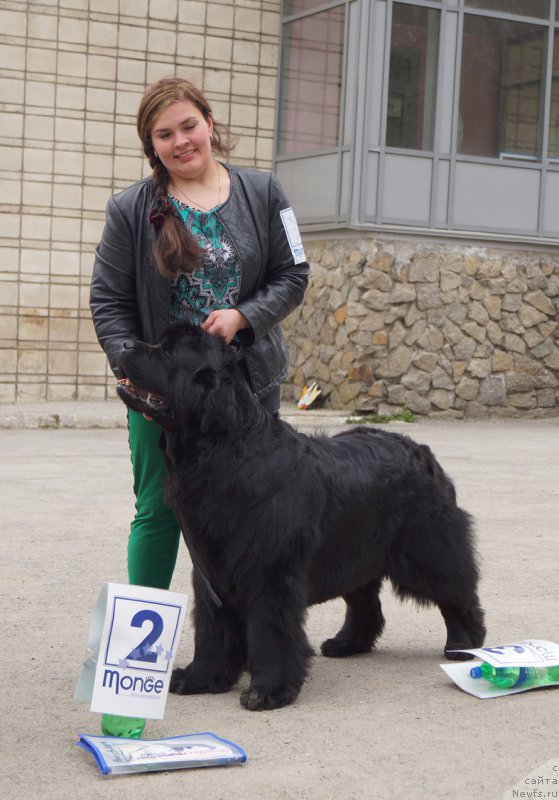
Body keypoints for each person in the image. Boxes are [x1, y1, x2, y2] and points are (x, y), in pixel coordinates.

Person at [90, 76, 309, 591]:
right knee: (159, 508)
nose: (181, 141)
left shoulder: (265, 192)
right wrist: (134, 370)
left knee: (253, 505)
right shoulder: (129, 210)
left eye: (188, 126)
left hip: (248, 383)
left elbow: (294, 274)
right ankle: (145, 633)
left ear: (209, 123)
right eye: (164, 135)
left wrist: (244, 317)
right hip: (163, 388)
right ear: (152, 145)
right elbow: (109, 303)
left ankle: (247, 628)